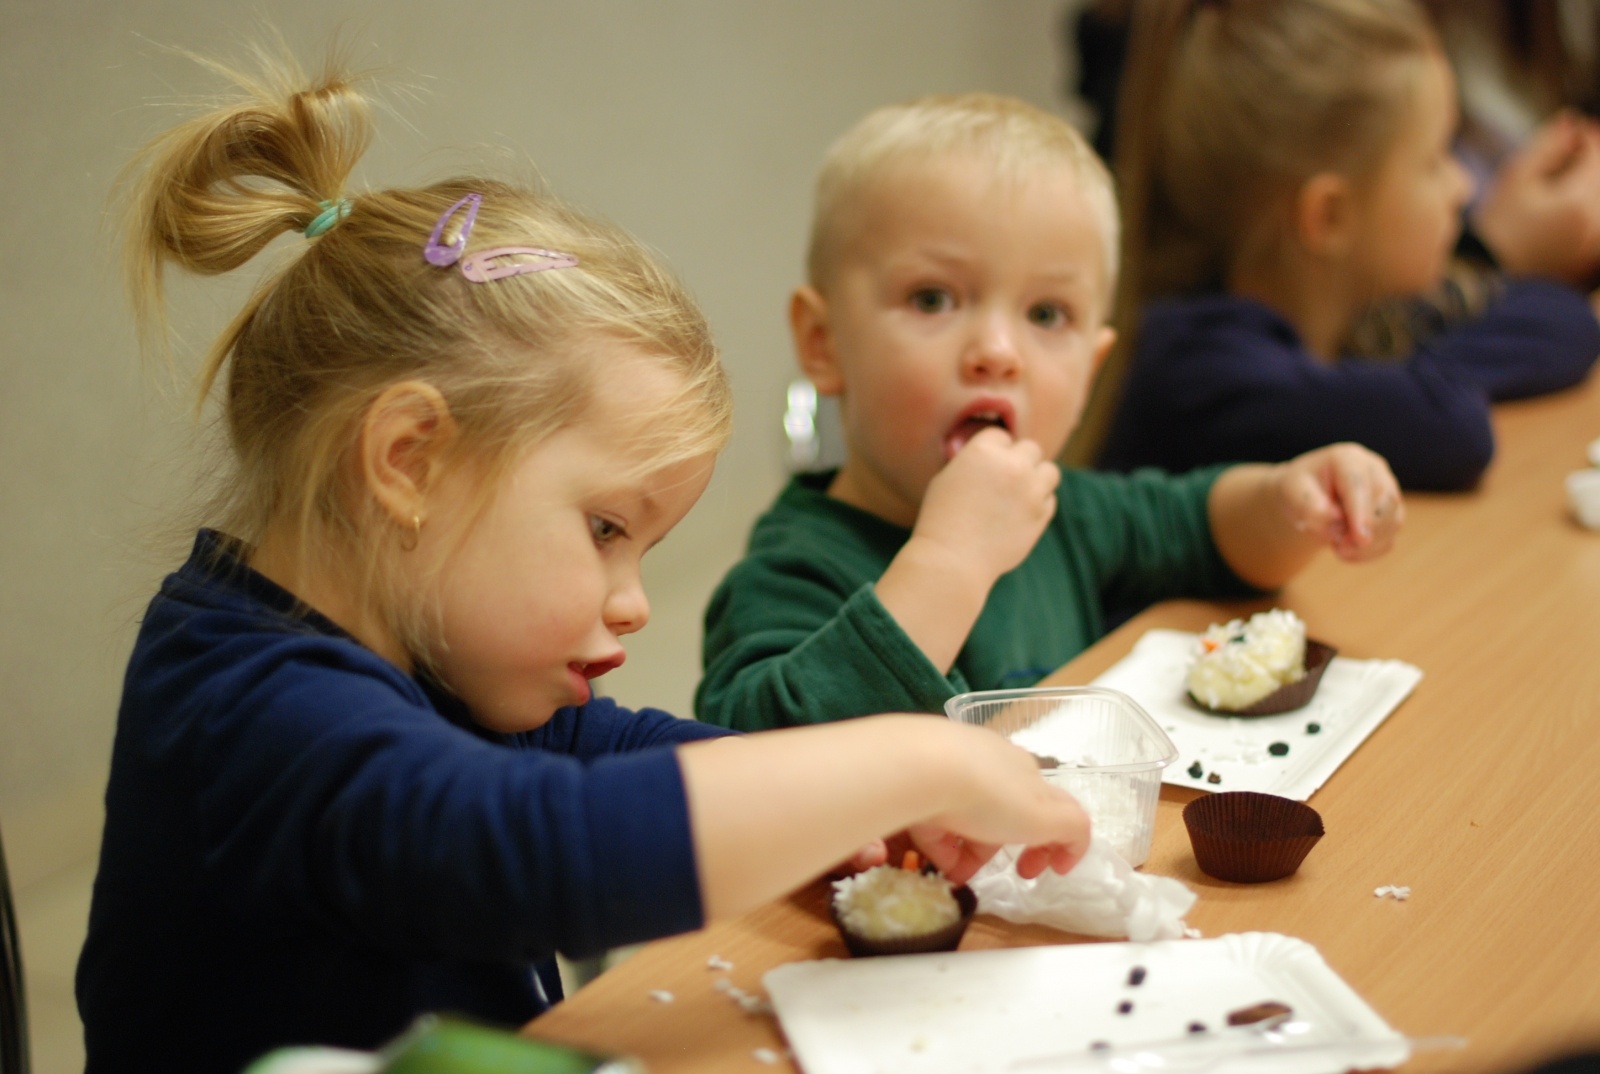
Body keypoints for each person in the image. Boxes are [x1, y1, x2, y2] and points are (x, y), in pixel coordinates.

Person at [75, 57, 1094, 1074]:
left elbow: (612, 755)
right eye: (607, 530)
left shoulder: (422, 640)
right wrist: (915, 761)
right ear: (408, 462)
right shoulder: (248, 712)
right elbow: (534, 847)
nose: (635, 603)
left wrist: (848, 810)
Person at [694, 93, 1403, 733]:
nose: (998, 352)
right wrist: (951, 561)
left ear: (1091, 371)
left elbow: (1205, 530)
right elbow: (761, 759)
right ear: (824, 345)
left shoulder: (1066, 514)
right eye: (934, 299)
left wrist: (1289, 498)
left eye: (1045, 313)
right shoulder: (791, 572)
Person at [1084, 0, 1600, 491]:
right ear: (1328, 216)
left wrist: (1424, 370)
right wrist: (1426, 379)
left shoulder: (1354, 319)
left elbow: (1565, 322)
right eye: (1435, 160)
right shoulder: (1198, 369)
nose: (1462, 186)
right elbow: (1453, 427)